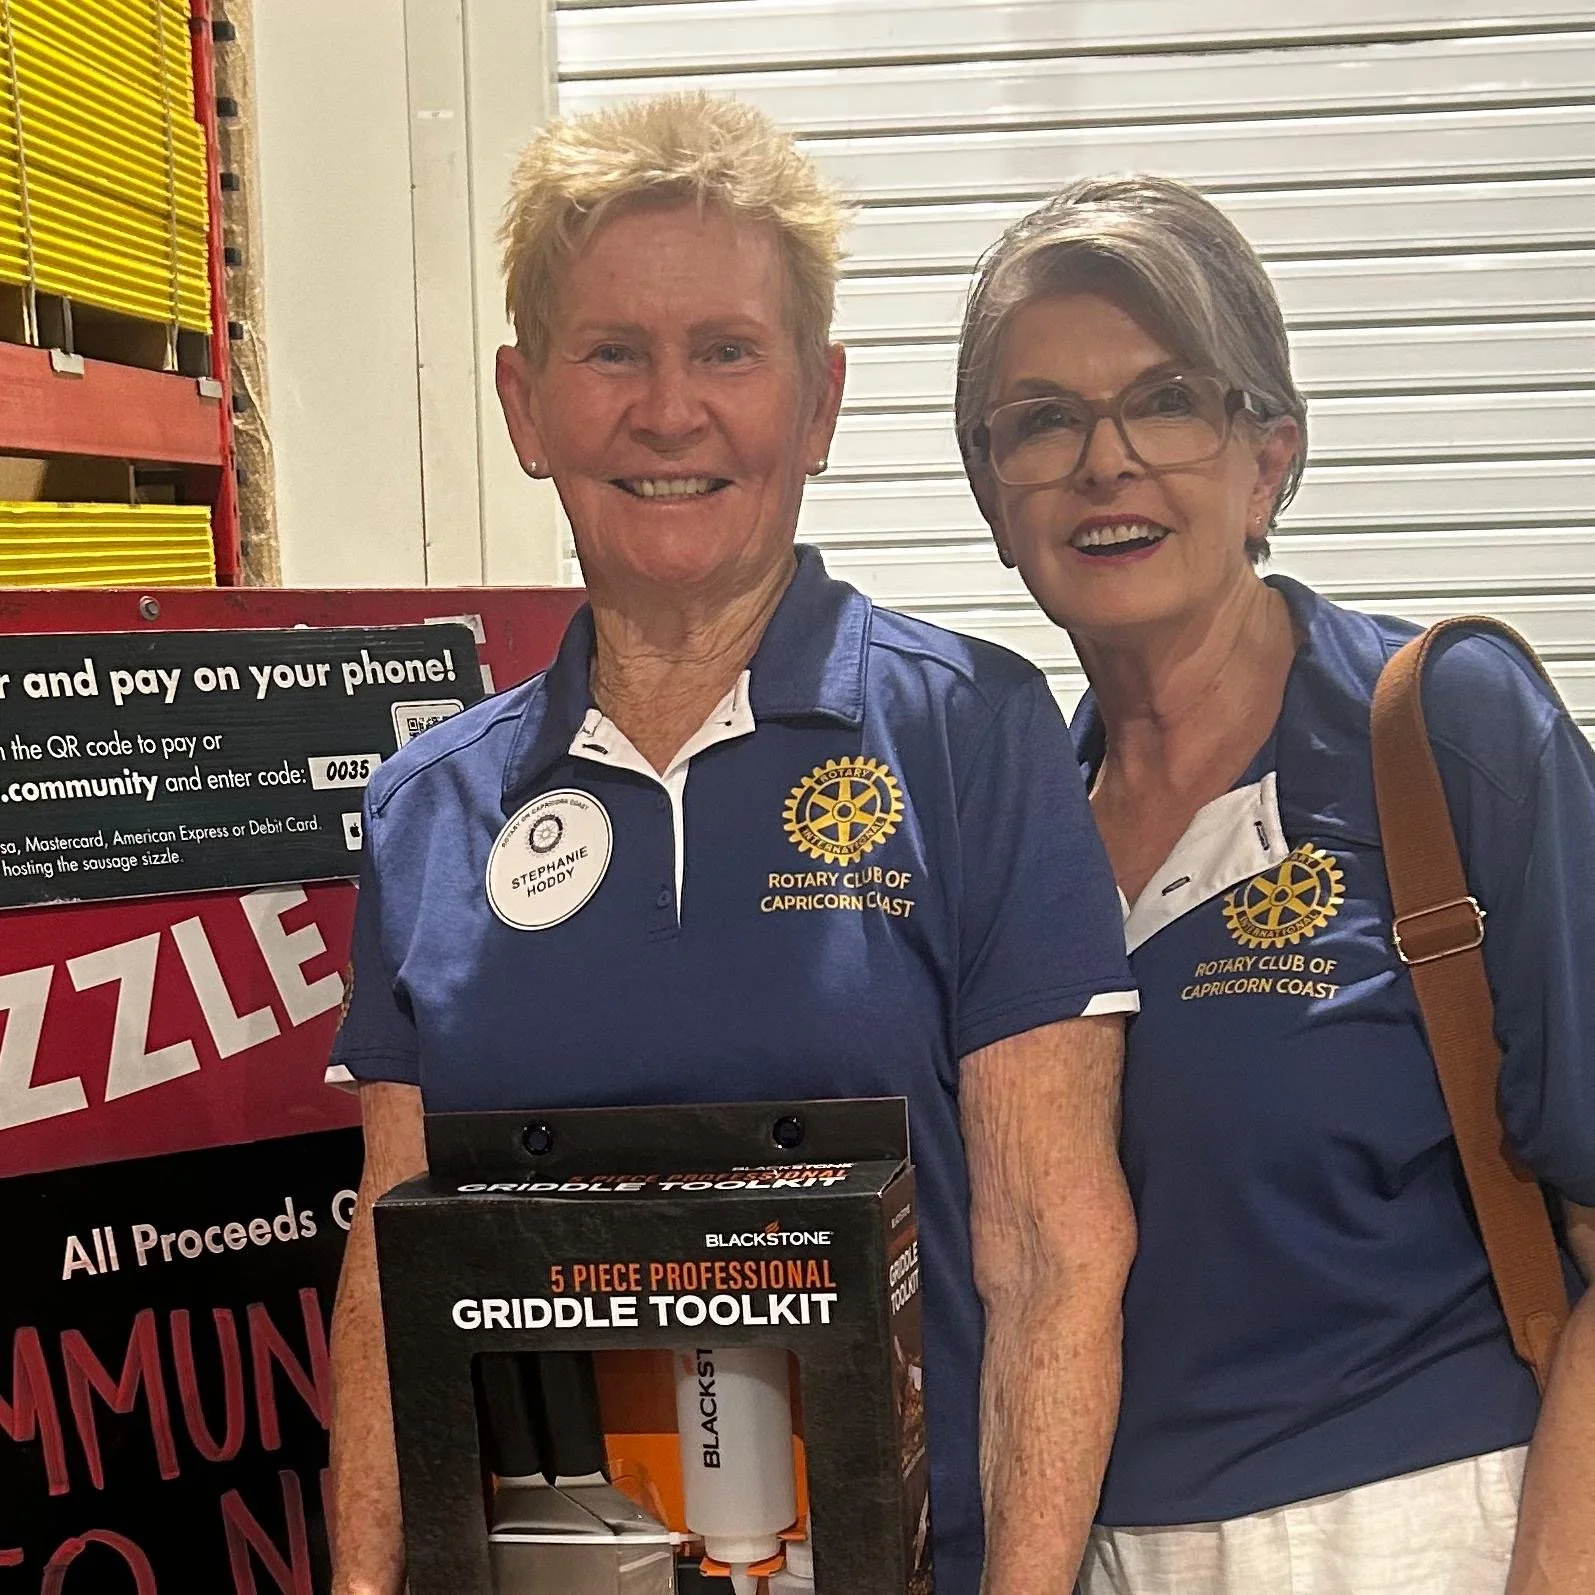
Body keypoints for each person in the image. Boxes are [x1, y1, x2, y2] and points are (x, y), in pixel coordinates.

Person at [325, 94, 1139, 1595]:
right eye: (610, 352)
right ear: (523, 404)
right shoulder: (427, 809)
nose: (668, 410)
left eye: (725, 351)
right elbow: (390, 1264)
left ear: (818, 405)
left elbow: (1051, 1250)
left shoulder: (970, 735)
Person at [955, 172, 1595, 1595]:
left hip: (1416, 1527)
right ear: (995, 500)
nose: (1103, 462)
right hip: (1090, 1545)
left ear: (1269, 459)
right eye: (1042, 420)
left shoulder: (1442, 727)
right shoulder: (1010, 824)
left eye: (1168, 398)